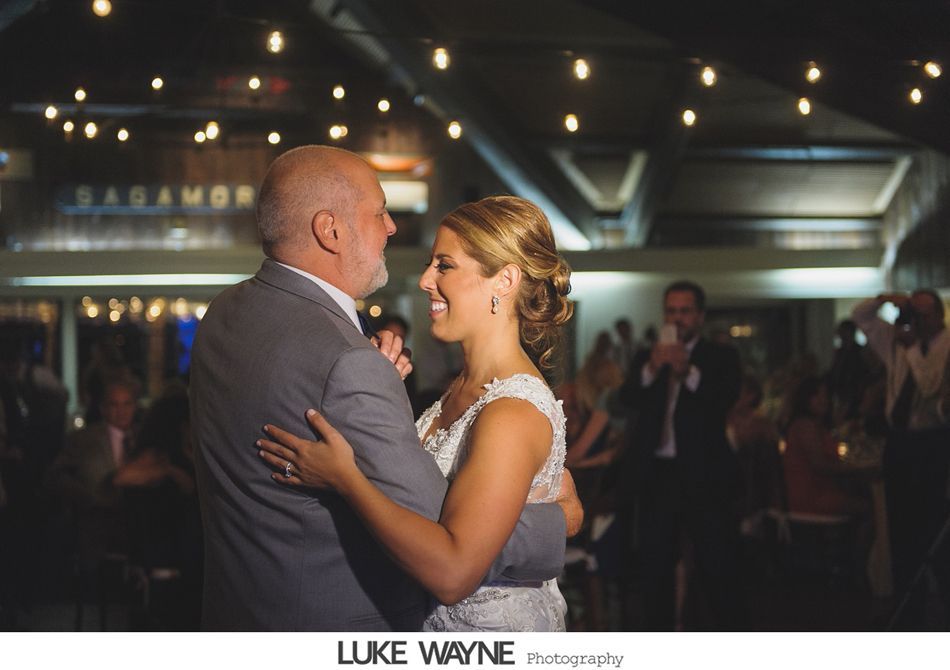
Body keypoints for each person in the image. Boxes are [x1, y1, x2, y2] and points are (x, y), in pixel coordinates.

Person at [190, 147, 574, 632]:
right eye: (379, 211)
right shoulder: (356, 364)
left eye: (445, 266)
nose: (424, 277)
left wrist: (347, 475)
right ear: (329, 229)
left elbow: (452, 560)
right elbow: (439, 528)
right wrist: (558, 521)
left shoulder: (225, 313)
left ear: (505, 280)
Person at [614, 280, 745, 630]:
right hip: (658, 473)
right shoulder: (648, 355)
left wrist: (688, 371)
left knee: (715, 563)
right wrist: (653, 369)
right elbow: (627, 399)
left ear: (699, 316)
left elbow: (724, 399)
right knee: (655, 563)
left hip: (704, 474)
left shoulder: (720, 357)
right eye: (672, 311)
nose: (678, 318)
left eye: (685, 311)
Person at [852, 291, 950, 627]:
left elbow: (928, 385)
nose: (914, 321)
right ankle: (908, 608)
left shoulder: (944, 346)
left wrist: (911, 348)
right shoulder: (897, 341)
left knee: (936, 525)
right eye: (910, 313)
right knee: (901, 527)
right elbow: (861, 315)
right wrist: (886, 300)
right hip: (901, 444)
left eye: (921, 314)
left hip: (936, 444)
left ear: (938, 316)